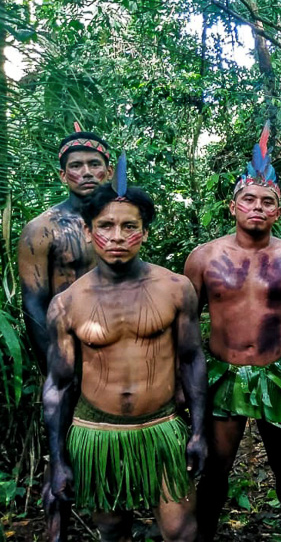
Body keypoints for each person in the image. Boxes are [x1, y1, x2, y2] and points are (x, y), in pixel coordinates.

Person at [42, 160, 207, 542]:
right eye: (105, 226)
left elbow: (191, 359)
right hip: (97, 434)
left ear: (145, 232)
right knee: (112, 529)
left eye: (129, 226)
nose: (117, 236)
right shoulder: (67, 304)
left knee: (181, 530)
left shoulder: (175, 288)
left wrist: (198, 432)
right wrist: (59, 458)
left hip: (162, 427)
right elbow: (58, 385)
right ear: (87, 231)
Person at [184, 131, 281, 541]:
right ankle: (204, 531)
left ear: (278, 211)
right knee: (214, 470)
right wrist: (182, 385)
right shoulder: (204, 258)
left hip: (277, 376)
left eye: (267, 202)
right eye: (249, 200)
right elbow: (186, 325)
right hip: (224, 375)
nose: (257, 208)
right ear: (233, 206)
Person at [18, 128, 113, 542]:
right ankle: (57, 531)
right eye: (76, 166)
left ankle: (115, 525)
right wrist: (56, 362)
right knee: (60, 457)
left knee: (112, 446)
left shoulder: (118, 222)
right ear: (63, 175)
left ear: (108, 170)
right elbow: (33, 303)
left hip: (116, 355)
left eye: (94, 164)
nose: (86, 172)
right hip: (66, 352)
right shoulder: (42, 229)